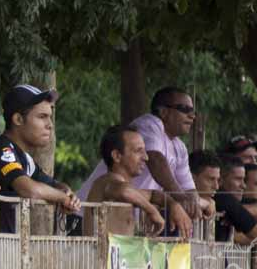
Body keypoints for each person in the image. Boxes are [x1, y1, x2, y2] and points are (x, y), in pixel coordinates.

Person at [77, 87, 202, 226]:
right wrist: (153, 210)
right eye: (185, 109)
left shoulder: (179, 147)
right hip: (82, 220)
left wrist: (197, 203)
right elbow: (154, 161)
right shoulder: (149, 124)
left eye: (193, 111)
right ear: (164, 112)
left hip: (114, 229)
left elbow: (182, 192)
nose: (192, 116)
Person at [0, 84, 81, 234]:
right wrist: (62, 198)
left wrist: (67, 192)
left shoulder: (26, 159)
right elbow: (28, 189)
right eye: (42, 117)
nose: (50, 125)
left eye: (50, 117)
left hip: (3, 244)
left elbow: (53, 185)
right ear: (18, 119)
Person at [83, 125, 192, 237]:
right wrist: (152, 211)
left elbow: (153, 194)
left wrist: (173, 205)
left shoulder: (129, 191)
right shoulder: (106, 181)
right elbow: (124, 191)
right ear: (117, 156)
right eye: (138, 151)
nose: (146, 157)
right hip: (99, 249)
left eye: (144, 151)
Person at [190, 151, 257, 245]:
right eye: (210, 179)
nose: (216, 186)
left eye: (217, 180)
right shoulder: (221, 196)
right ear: (192, 178)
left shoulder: (215, 198)